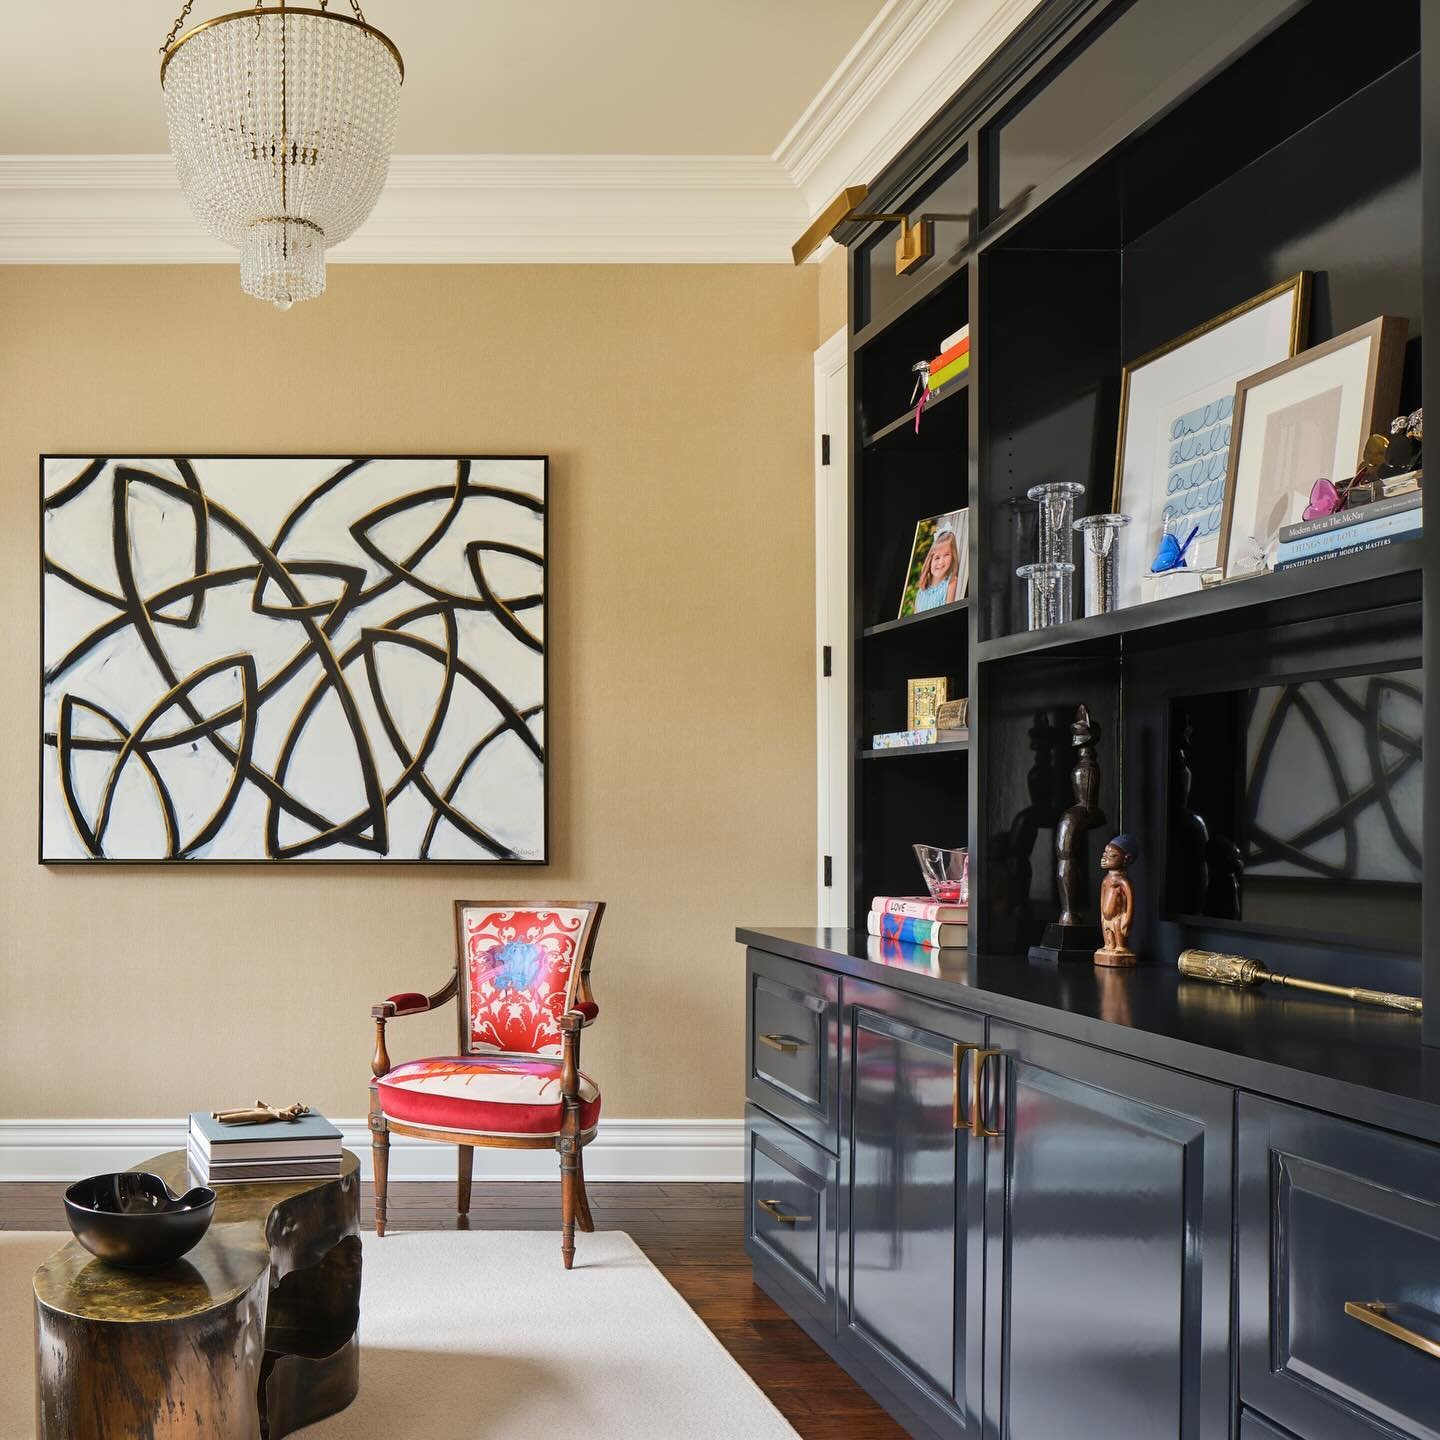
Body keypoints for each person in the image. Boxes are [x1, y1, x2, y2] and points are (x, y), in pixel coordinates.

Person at [914, 525, 960, 611]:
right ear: (930, 560)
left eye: (946, 555)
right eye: (937, 557)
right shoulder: (921, 592)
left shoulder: (951, 583)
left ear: (953, 556)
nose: (941, 562)